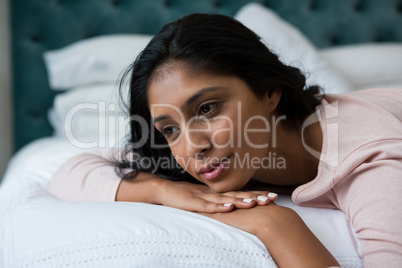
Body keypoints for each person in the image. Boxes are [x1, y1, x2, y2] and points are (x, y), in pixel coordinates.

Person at [49, 13, 402, 267]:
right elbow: (72, 170)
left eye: (207, 108)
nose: (193, 147)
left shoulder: (373, 160)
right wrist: (166, 191)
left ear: (269, 92)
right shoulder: (210, 154)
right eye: (169, 129)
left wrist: (277, 225)